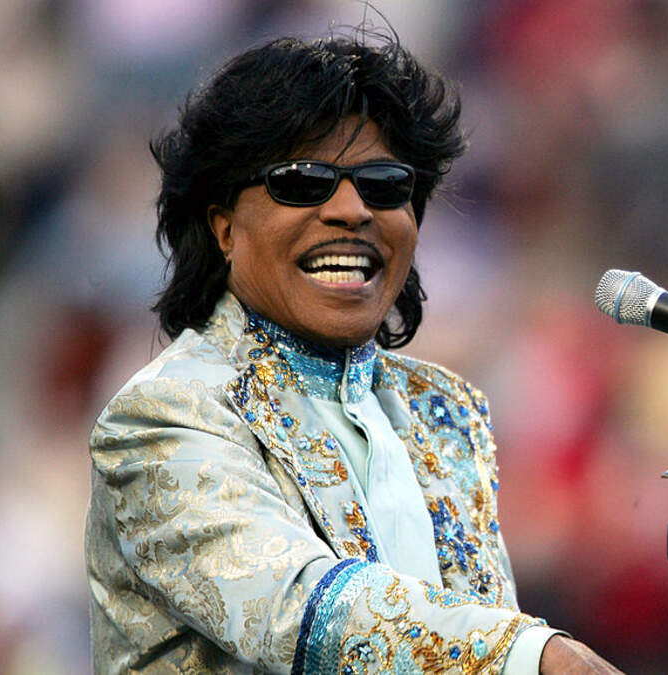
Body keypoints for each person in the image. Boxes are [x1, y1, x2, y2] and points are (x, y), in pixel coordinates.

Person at [85, 26, 621, 674]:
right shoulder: (163, 416)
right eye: (303, 181)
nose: (352, 209)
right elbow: (297, 608)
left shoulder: (445, 411)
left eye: (385, 183)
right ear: (223, 227)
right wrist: (533, 652)